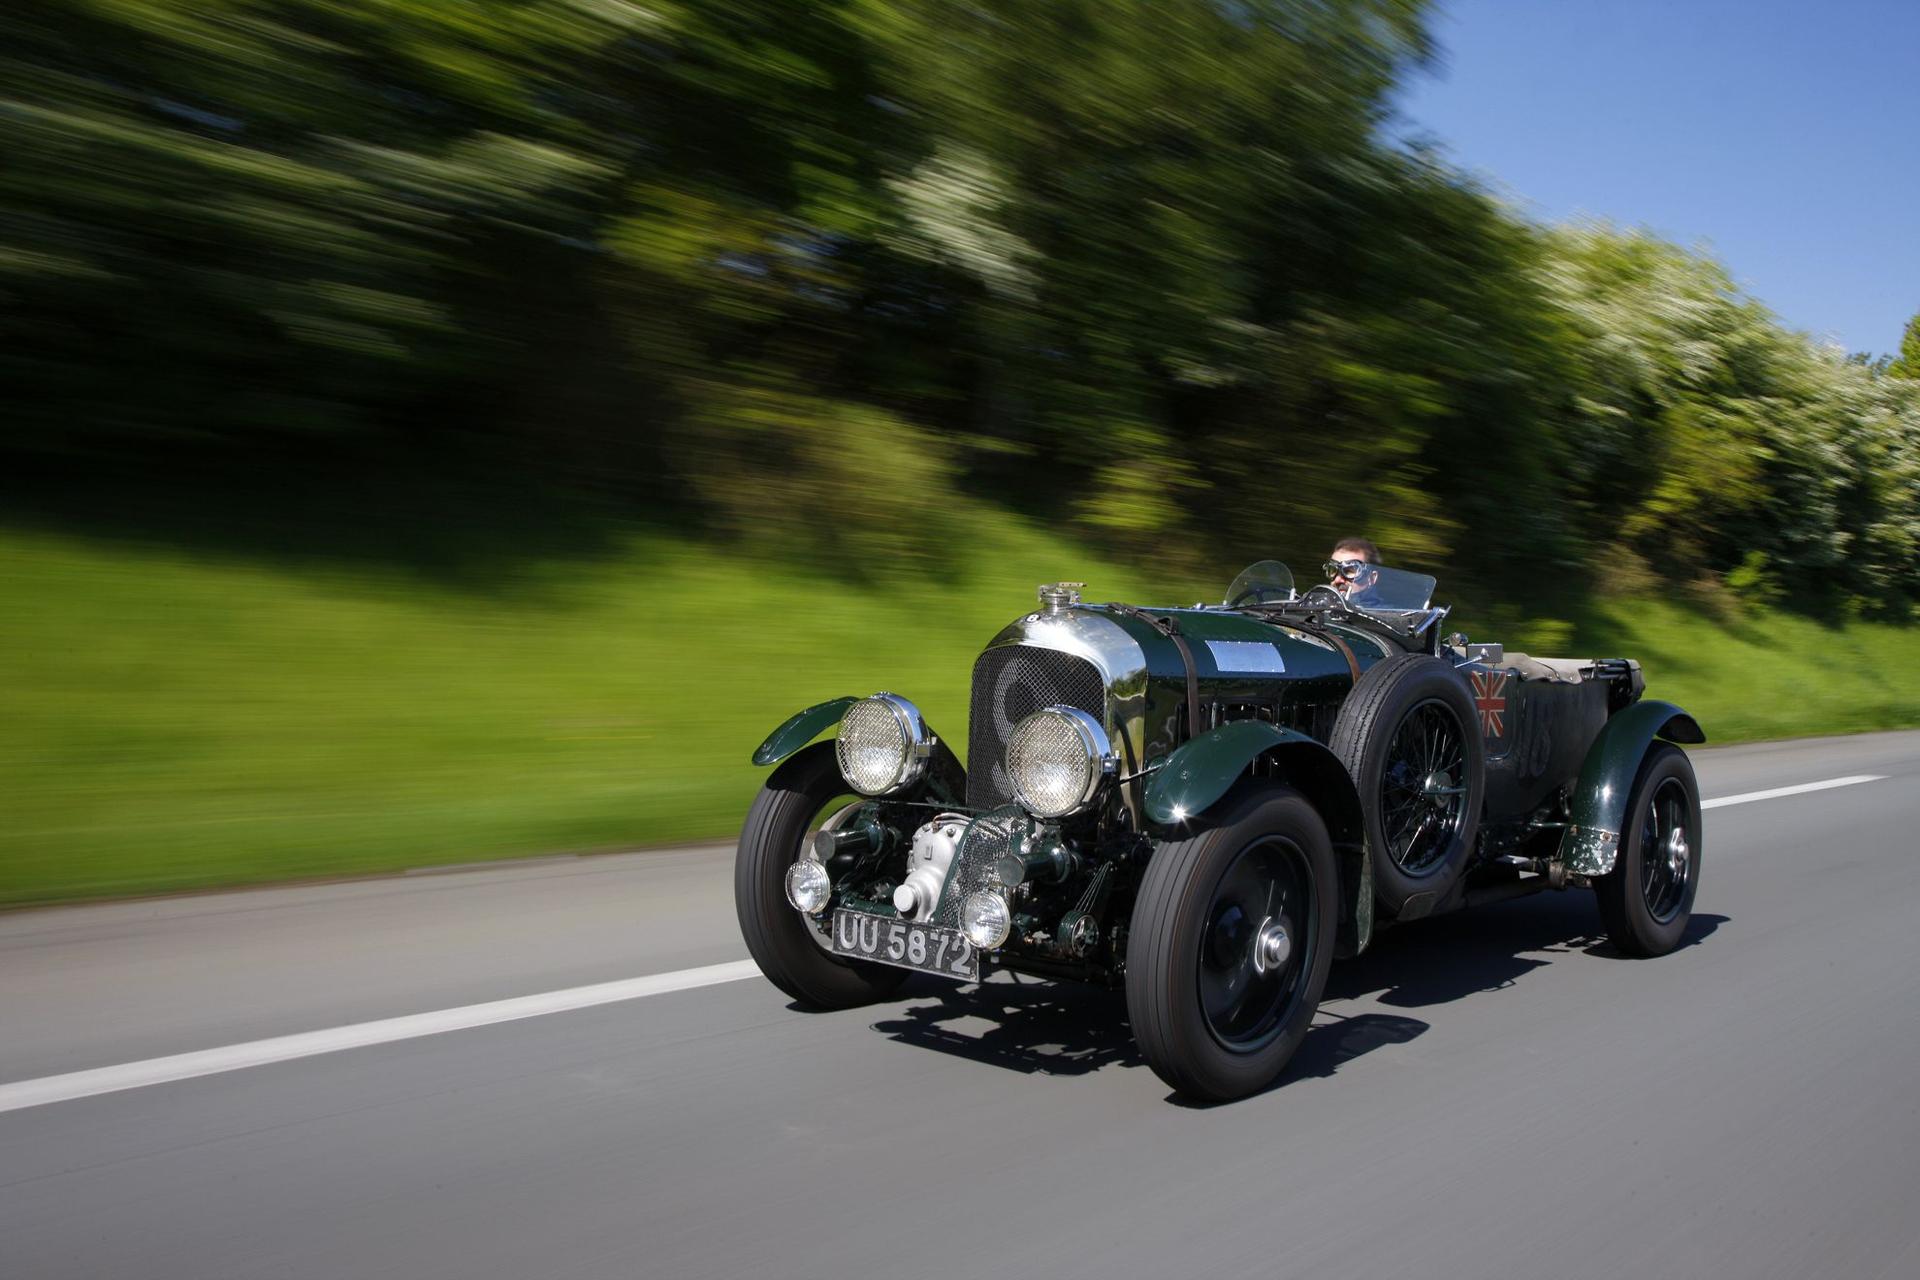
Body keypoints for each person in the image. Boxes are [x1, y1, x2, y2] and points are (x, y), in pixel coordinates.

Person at [1325, 536, 1379, 600]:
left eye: (1349, 571)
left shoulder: (1381, 609)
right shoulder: (1318, 606)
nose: (1337, 580)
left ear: (1371, 578)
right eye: (1333, 570)